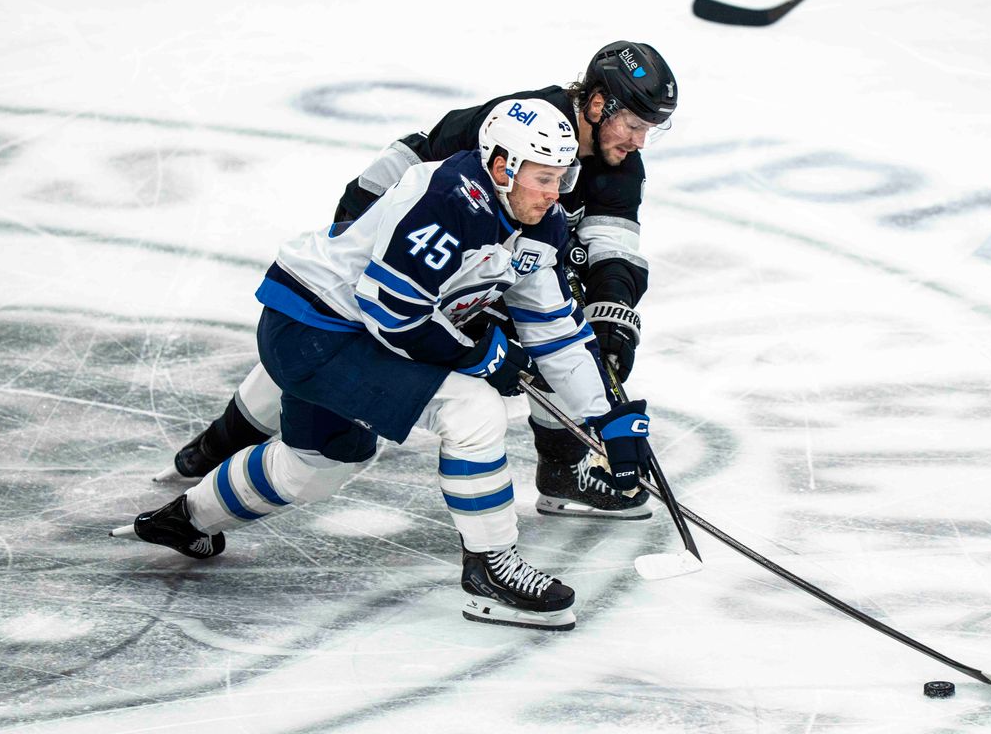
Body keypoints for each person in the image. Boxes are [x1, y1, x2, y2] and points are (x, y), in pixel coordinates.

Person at [113, 99, 657, 631]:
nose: (556, 194)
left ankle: (184, 520)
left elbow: (555, 329)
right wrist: (480, 354)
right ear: (501, 167)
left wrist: (604, 418)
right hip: (314, 331)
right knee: (473, 410)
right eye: (543, 178)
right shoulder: (447, 198)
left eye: (562, 177)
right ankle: (490, 569)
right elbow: (392, 313)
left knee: (320, 464)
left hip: (342, 333)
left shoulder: (540, 221)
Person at [167, 41, 677, 521]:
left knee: (564, 339)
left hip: (483, 262)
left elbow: (611, 244)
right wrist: (363, 233)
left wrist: (610, 310)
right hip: (408, 247)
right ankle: (220, 442)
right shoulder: (521, 123)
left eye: (650, 129)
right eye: (634, 124)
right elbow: (414, 165)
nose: (639, 141)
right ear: (597, 105)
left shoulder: (619, 162)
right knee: (337, 333)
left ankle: (564, 469)